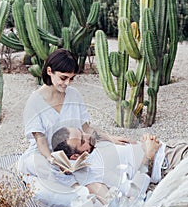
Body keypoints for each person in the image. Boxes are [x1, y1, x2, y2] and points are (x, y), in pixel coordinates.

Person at [18, 48, 131, 188]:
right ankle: (77, 188)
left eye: (71, 79)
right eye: (63, 78)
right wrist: (52, 159)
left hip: (75, 152)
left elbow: (86, 128)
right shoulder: (34, 101)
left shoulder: (74, 94)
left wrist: (110, 138)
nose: (67, 83)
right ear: (49, 71)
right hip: (45, 154)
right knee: (41, 166)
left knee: (111, 152)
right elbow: (40, 140)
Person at [51, 127, 188, 202]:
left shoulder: (92, 147)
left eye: (82, 133)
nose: (87, 137)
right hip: (168, 164)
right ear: (75, 156)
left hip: (169, 149)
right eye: (82, 141)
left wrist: (145, 142)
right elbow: (135, 192)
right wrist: (148, 155)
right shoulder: (93, 174)